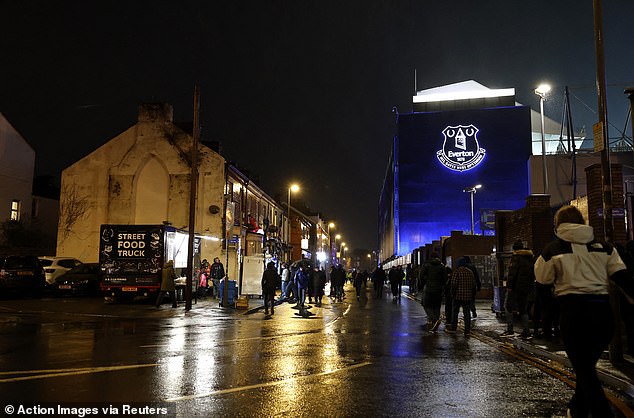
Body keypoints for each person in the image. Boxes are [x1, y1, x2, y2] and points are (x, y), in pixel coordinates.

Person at [534, 205, 634, 417]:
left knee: (584, 369)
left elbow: (542, 284)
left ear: (557, 225)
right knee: (586, 366)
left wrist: (546, 318)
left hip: (573, 313)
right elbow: (624, 279)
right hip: (603, 314)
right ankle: (578, 409)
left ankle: (602, 413)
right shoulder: (605, 248)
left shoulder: (551, 251)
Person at [501, 240, 535, 340]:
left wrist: (509, 286)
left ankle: (510, 329)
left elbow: (512, 274)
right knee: (523, 309)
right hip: (526, 288)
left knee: (508, 307)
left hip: (515, 288)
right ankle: (526, 331)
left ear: (514, 249)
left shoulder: (516, 258)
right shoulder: (530, 258)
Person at [447, 257, 476, 336]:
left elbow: (453, 284)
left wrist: (452, 294)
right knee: (467, 313)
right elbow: (473, 285)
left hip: (457, 296)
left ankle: (453, 328)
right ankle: (467, 330)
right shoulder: (470, 272)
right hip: (467, 297)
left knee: (455, 312)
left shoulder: (457, 272)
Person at [420, 252, 448, 332]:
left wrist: (423, 284)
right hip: (438, 289)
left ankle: (434, 320)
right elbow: (445, 278)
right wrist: (441, 285)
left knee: (426, 305)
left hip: (428, 288)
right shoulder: (441, 266)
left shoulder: (426, 265)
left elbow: (421, 276)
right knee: (436, 306)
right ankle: (435, 320)